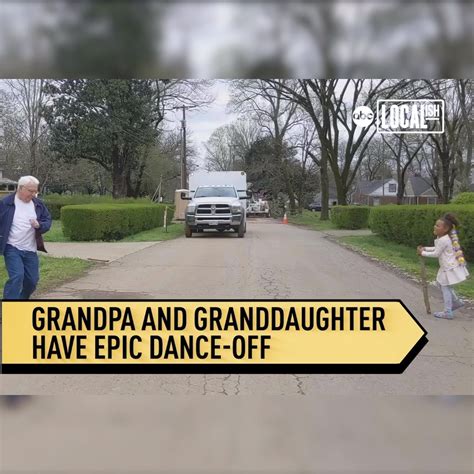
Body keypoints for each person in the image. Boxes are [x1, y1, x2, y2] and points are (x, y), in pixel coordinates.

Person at [0, 176, 52, 300]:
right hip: (12, 247)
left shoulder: (38, 204)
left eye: (35, 191)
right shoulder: (6, 203)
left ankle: (21, 301)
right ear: (20, 188)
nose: (33, 194)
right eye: (30, 191)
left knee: (32, 281)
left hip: (30, 249)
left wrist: (40, 225)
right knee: (17, 276)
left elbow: (47, 220)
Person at [417, 213, 469, 319]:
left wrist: (422, 253)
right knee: (441, 284)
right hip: (448, 267)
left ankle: (448, 311)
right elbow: (437, 248)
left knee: (445, 287)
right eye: (435, 225)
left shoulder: (443, 239)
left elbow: (436, 253)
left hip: (448, 268)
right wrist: (425, 248)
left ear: (445, 229)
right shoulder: (445, 238)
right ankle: (456, 302)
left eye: (437, 226)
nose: (435, 227)